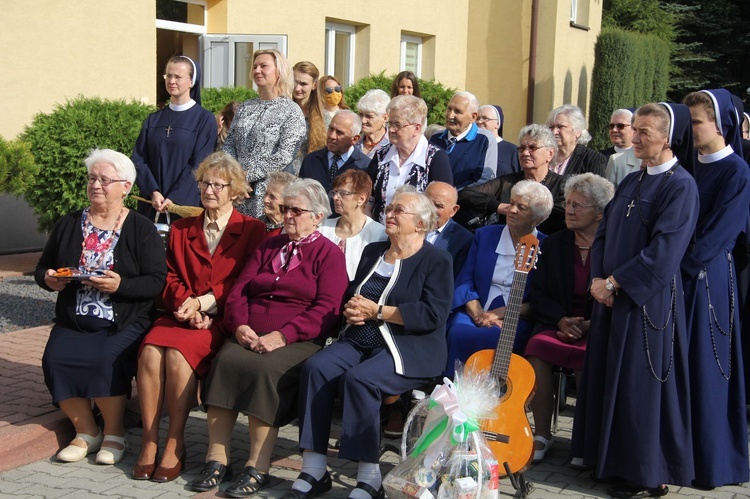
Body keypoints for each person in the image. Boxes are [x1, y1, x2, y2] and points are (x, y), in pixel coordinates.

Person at [286, 187, 453, 499]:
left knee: (359, 380)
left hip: (407, 348)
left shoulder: (436, 260)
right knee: (316, 367)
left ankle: (369, 477)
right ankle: (313, 469)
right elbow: (353, 291)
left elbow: (434, 313)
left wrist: (379, 311)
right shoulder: (373, 251)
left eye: (398, 210)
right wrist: (350, 306)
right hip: (360, 338)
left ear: (419, 224)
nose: (389, 214)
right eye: (389, 208)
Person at [189, 178, 348, 496]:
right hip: (251, 333)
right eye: (285, 208)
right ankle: (217, 459)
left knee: (264, 371)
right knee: (226, 360)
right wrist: (239, 325)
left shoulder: (328, 254)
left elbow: (327, 309)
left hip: (297, 341)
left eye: (296, 210)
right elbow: (240, 290)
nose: (288, 215)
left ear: (318, 216)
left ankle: (257, 465)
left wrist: (284, 335)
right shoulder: (270, 244)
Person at [572, 102, 699, 498]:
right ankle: (609, 461)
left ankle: (644, 472)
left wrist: (613, 283)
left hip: (648, 304)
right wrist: (598, 279)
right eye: (636, 130)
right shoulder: (632, 180)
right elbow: (606, 232)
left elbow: (664, 251)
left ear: (667, 137)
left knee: (639, 387)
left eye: (644, 131)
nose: (636, 137)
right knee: (611, 379)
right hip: (610, 297)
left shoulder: (681, 186)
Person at [133, 152, 266, 482]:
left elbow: (246, 281)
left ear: (235, 191)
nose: (209, 190)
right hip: (180, 314)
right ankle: (149, 441)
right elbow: (168, 275)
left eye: (218, 185)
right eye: (205, 183)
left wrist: (205, 303)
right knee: (150, 352)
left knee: (178, 357)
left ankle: (175, 443)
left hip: (222, 318)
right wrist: (185, 304)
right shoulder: (180, 228)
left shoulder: (253, 230)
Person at [35, 149, 166, 465]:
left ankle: (114, 432)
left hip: (122, 319)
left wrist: (120, 285)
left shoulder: (140, 228)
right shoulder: (68, 224)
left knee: (104, 361)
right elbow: (43, 267)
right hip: (74, 318)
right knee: (55, 361)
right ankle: (87, 431)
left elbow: (156, 281)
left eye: (105, 180)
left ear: (126, 187)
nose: (96, 185)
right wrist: (49, 279)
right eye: (92, 178)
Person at [681, 89, 750, 489]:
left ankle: (709, 461)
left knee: (707, 368)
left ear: (720, 123)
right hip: (678, 278)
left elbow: (721, 233)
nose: (691, 130)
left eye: (698, 122)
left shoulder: (736, 171)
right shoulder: (688, 166)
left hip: (707, 282)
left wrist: (678, 264)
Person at [524, 173, 614, 463]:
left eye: (579, 205)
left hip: (598, 324)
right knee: (536, 349)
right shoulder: (554, 244)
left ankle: (584, 438)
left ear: (600, 212)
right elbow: (538, 293)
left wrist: (591, 323)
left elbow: (618, 293)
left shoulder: (613, 245)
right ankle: (542, 433)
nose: (570, 210)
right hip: (557, 323)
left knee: (588, 356)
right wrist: (562, 320)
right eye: (569, 203)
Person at [446, 181, 553, 377]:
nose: (511, 210)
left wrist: (502, 313)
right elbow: (465, 281)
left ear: (538, 218)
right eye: (511, 203)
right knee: (459, 333)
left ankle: (495, 396)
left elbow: (541, 298)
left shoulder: (547, 246)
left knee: (498, 337)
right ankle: (455, 397)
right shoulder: (485, 235)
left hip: (516, 317)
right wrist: (478, 314)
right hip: (476, 310)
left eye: (521, 207)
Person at [132, 55, 218, 220]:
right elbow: (139, 159)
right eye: (168, 75)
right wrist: (153, 191)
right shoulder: (153, 119)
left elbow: (200, 163)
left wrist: (174, 198)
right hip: (152, 203)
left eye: (178, 77)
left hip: (184, 204)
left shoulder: (204, 119)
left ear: (192, 81)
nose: (172, 80)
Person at [224, 49, 306, 219]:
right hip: (237, 191)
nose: (257, 70)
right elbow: (229, 144)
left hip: (270, 193)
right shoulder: (246, 107)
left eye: (263, 66)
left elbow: (285, 155)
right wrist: (234, 177)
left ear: (279, 72)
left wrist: (248, 176)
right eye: (254, 67)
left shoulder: (291, 111)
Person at [457, 124, 567, 234]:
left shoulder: (563, 185)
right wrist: (498, 206)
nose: (525, 153)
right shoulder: (508, 182)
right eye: (522, 148)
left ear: (550, 153)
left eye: (533, 148)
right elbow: (465, 194)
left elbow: (566, 209)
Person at [368, 95, 453, 223]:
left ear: (416, 128)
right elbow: (368, 196)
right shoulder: (381, 155)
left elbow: (441, 207)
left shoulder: (435, 158)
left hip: (416, 237)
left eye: (397, 124)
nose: (390, 129)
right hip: (378, 234)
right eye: (390, 123)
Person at [319, 169, 387, 280]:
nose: (335, 197)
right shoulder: (322, 228)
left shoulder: (379, 234)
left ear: (361, 199)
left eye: (342, 193)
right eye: (335, 193)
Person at [429, 91, 498, 189]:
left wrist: (453, 195)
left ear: (473, 117)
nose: (450, 115)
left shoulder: (484, 140)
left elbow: (484, 179)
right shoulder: (435, 138)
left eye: (457, 111)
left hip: (466, 201)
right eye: (449, 109)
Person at [299, 110, 371, 200]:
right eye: (331, 129)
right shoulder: (311, 160)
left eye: (339, 133)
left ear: (355, 139)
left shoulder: (365, 166)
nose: (332, 136)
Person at [424, 181, 474, 278]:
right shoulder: (407, 225)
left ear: (453, 210)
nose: (431, 210)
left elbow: (454, 281)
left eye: (438, 206)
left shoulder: (464, 240)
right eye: (427, 203)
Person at [546, 105, 606, 177]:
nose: (554, 132)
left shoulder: (592, 159)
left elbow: (597, 187)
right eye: (551, 127)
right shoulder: (543, 155)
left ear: (577, 131)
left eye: (560, 126)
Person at [291, 61, 327, 173]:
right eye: (294, 82)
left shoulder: (324, 118)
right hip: (284, 178)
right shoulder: (281, 112)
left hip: (311, 176)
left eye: (303, 84)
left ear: (314, 85)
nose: (297, 88)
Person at [477, 104, 520, 176]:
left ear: (497, 123)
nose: (479, 122)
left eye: (485, 118)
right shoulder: (471, 147)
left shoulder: (512, 151)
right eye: (477, 118)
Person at [355, 89, 391, 158]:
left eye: (369, 116)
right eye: (361, 115)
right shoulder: (354, 143)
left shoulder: (393, 146)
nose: (363, 121)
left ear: (385, 118)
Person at [261, 171, 296, 237]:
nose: (265, 200)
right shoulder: (257, 225)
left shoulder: (293, 232)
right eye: (266, 194)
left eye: (272, 197)